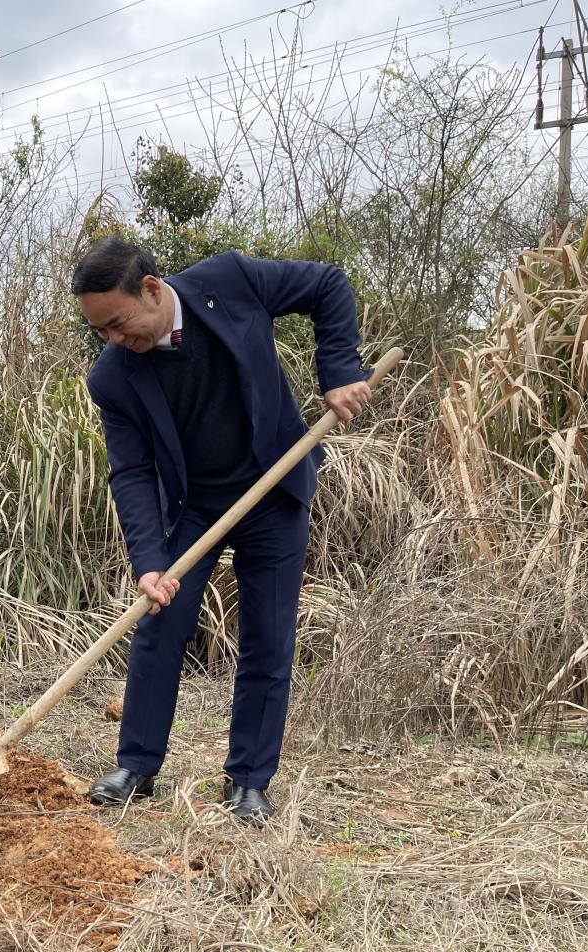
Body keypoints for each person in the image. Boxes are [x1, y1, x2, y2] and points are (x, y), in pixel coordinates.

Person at [74, 238, 372, 825]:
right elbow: (132, 471)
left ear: (153, 290)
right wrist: (149, 562)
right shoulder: (113, 378)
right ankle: (136, 765)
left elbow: (328, 285)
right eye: (100, 331)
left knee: (268, 636)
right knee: (160, 628)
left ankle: (249, 780)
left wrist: (338, 371)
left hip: (273, 490)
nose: (113, 339)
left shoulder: (231, 280)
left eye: (118, 323)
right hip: (192, 508)